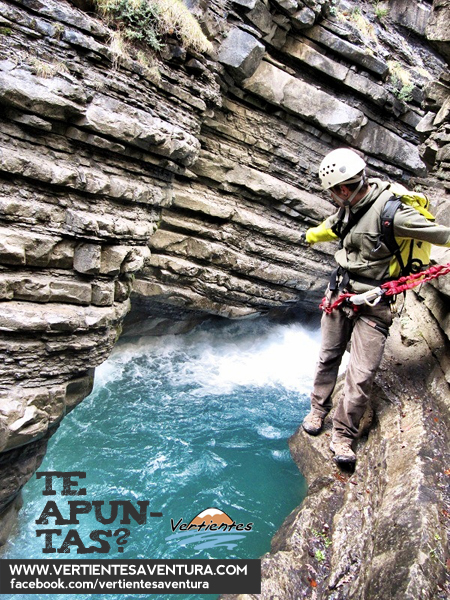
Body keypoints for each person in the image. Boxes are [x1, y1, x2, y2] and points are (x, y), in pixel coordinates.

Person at [301, 148, 450, 466]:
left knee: (362, 373)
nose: (331, 196)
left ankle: (342, 435)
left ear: (343, 188)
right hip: (339, 293)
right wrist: (311, 235)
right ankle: (317, 410)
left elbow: (440, 234)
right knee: (328, 356)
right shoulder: (348, 207)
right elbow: (333, 227)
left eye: (332, 191)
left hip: (375, 303)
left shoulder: (392, 212)